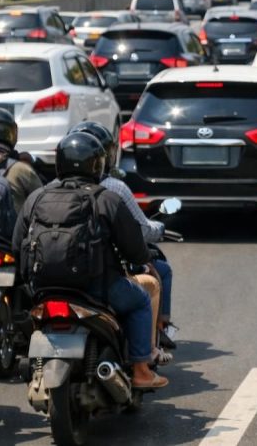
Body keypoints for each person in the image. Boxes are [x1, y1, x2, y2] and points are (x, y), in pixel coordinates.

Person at [13, 132, 168, 389]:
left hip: (44, 290)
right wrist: (143, 260)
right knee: (141, 300)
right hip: (98, 291)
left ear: (59, 164)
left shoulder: (37, 198)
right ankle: (141, 370)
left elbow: (17, 245)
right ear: (98, 165)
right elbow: (135, 251)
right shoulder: (107, 198)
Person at [70, 120, 177, 354]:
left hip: (53, 280)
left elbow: (20, 240)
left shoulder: (48, 191)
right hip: (100, 279)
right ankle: (144, 361)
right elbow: (138, 234)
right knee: (146, 292)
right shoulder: (114, 191)